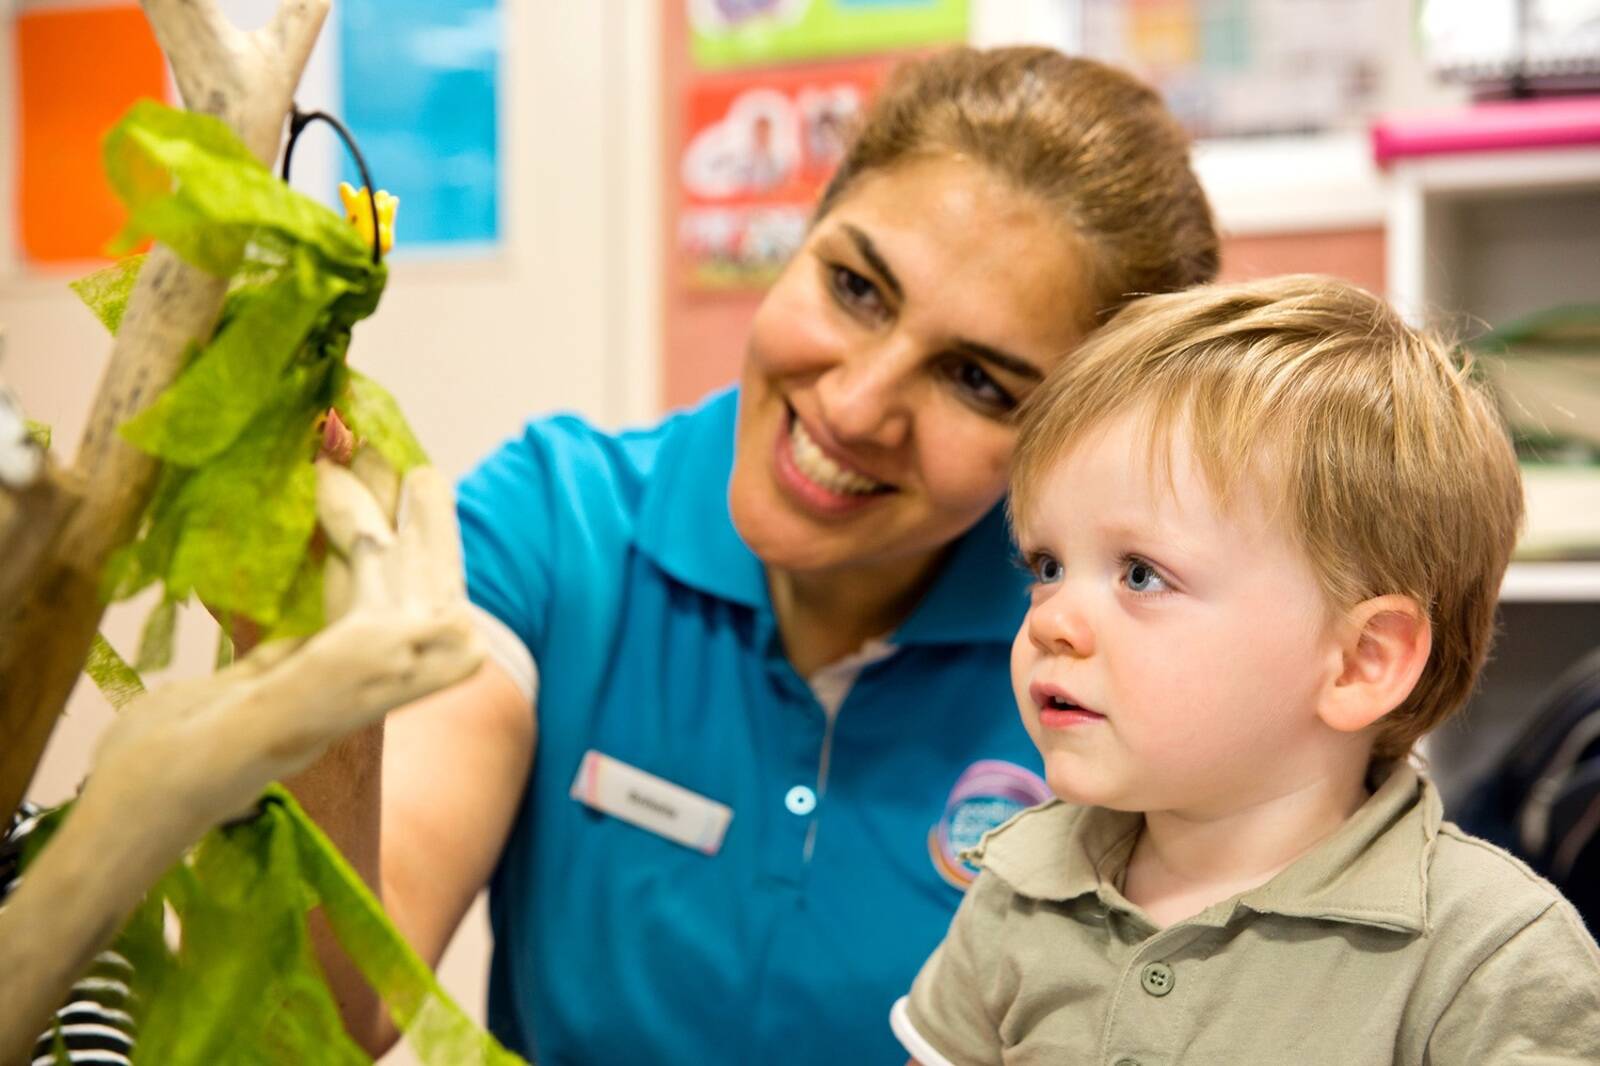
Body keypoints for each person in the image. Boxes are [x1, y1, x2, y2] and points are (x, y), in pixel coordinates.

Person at [291, 47, 1219, 1064]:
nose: (857, 406)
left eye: (975, 381)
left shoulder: (1103, 660)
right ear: (799, 239)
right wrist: (305, 660)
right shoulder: (556, 527)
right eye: (856, 288)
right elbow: (330, 1011)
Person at [892, 276, 1600, 1065]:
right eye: (1048, 564)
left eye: (1139, 575)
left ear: (1361, 662)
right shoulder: (1021, 888)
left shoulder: (1491, 958)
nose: (1051, 620)